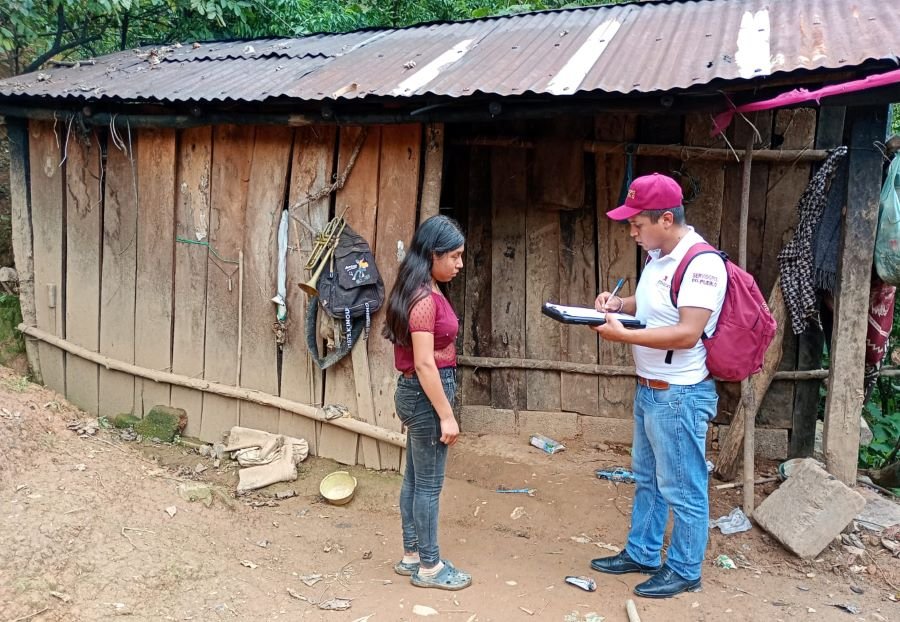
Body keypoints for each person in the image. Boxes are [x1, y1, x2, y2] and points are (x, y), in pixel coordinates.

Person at [589, 173, 727, 599]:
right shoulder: (658, 257)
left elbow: (687, 332)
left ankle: (685, 569)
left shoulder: (702, 264)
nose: (631, 232)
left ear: (666, 219)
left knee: (683, 486)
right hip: (652, 388)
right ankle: (644, 552)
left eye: (637, 224)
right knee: (648, 478)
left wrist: (624, 335)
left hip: (679, 393)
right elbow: (655, 306)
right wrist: (620, 305)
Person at [382, 215, 471, 591]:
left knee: (415, 480)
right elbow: (423, 363)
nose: (459, 264)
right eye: (454, 256)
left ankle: (412, 555)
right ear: (433, 254)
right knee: (429, 486)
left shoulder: (421, 287)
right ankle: (431, 567)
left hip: (418, 393)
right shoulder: (423, 300)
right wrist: (447, 416)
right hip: (425, 394)